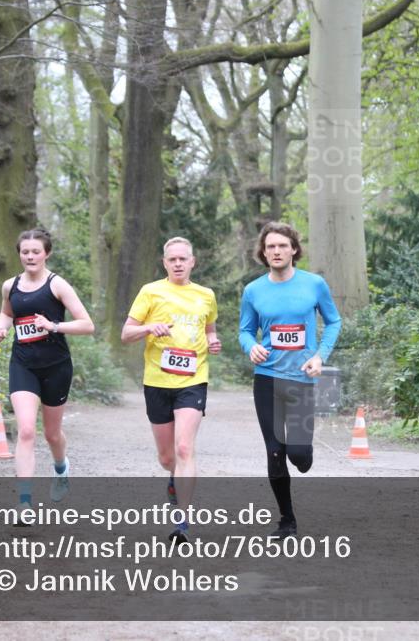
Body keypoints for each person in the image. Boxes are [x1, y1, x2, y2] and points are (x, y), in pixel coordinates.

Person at [238, 222, 342, 539]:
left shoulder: (314, 285)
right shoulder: (253, 290)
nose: (277, 251)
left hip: (301, 380)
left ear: (294, 249)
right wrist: (251, 346)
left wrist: (320, 355)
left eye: (282, 245)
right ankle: (287, 520)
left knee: (298, 456)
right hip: (267, 379)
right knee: (273, 450)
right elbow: (244, 330)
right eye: (271, 247)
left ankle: (303, 454)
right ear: (263, 252)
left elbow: (334, 321)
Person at [122, 237, 221, 544]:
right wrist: (148, 328)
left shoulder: (206, 295)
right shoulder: (150, 292)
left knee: (183, 449)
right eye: (172, 259)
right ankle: (172, 477)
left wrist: (213, 342)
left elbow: (209, 330)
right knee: (167, 456)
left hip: (193, 380)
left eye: (183, 259)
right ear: (164, 263)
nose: (178, 263)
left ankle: (182, 521)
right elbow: (126, 334)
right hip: (157, 381)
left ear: (192, 262)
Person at [0, 228, 95, 512]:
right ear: (19, 254)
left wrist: (54, 326)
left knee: (51, 434)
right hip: (23, 365)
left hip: (56, 366)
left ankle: (61, 469)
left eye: (36, 251)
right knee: (25, 431)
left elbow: (87, 324)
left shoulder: (57, 285)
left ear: (46, 253)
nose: (30, 256)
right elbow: (7, 314)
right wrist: (0, 330)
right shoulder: (10, 286)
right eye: (25, 252)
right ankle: (24, 503)